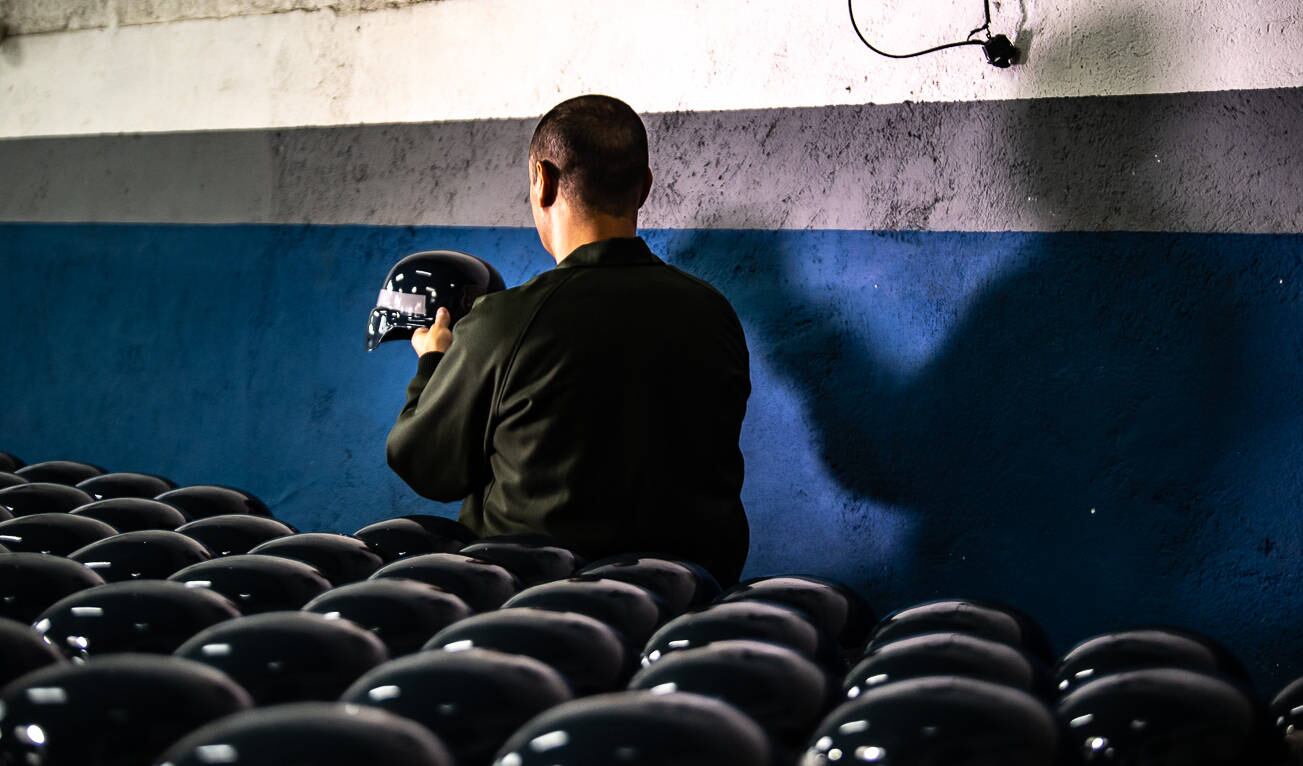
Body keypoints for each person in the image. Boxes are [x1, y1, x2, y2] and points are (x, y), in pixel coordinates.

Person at [386, 95, 751, 583]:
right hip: (688, 599)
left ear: (544, 180)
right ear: (643, 188)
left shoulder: (506, 320)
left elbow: (425, 465)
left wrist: (433, 363)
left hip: (536, 605)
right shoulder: (714, 313)